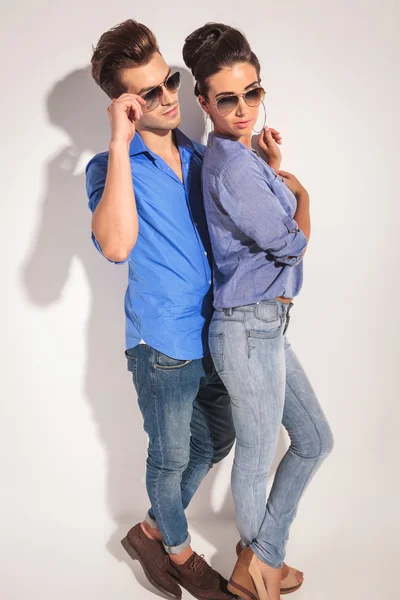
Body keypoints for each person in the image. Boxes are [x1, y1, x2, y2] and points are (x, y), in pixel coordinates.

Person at [183, 23, 335, 600]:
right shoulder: (230, 164)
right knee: (255, 451)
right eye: (227, 98)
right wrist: (303, 197)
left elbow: (267, 235)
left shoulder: (241, 157)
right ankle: (260, 568)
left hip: (265, 325)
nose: (244, 108)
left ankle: (262, 555)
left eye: (253, 92)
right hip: (247, 328)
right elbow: (290, 244)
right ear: (204, 101)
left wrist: (272, 167)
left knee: (315, 439)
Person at [86, 19, 236, 600]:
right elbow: (117, 246)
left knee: (215, 440)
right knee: (171, 454)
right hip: (161, 343)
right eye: (149, 92)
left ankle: (148, 529)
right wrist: (121, 145)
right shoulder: (109, 168)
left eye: (168, 80)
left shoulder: (199, 156)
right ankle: (177, 551)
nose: (169, 95)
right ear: (125, 104)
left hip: (214, 333)